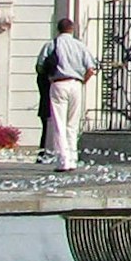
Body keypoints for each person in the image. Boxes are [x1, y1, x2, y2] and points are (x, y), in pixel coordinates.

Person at [44, 16, 94, 171]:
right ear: (72, 29)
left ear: (58, 29)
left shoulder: (52, 44)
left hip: (58, 83)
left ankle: (62, 160)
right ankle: (73, 158)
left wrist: (49, 77)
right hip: (76, 84)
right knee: (72, 124)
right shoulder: (80, 46)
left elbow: (40, 64)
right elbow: (91, 68)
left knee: (59, 123)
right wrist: (83, 81)